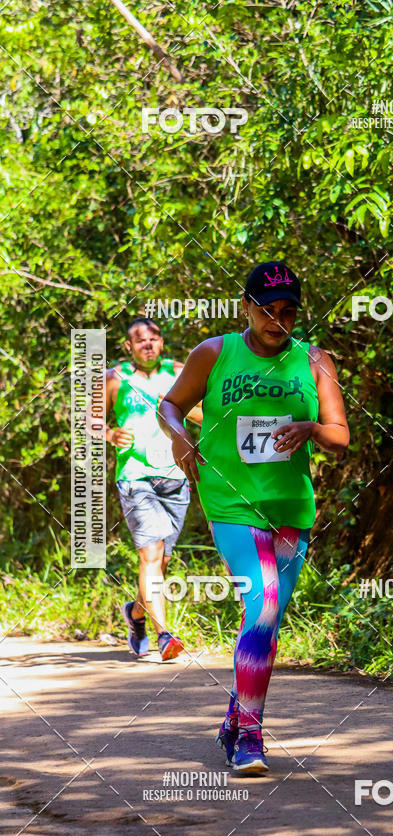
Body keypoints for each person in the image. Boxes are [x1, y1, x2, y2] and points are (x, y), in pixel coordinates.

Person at [158, 261, 349, 774]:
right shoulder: (216, 353)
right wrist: (180, 436)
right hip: (231, 501)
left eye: (287, 312)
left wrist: (310, 427)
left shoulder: (314, 360)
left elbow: (341, 435)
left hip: (291, 508)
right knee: (262, 606)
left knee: (265, 620)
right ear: (245, 306)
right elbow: (170, 405)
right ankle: (250, 736)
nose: (277, 321)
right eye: (266, 310)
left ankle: (232, 720)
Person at [101, 317, 203, 661]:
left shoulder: (178, 371)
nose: (148, 344)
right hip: (135, 476)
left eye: (154, 339)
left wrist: (177, 406)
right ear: (129, 347)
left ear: (161, 343)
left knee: (162, 563)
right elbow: (88, 418)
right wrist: (110, 434)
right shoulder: (115, 378)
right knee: (151, 555)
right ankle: (165, 636)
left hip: (175, 473)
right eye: (140, 340)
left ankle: (137, 614)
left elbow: (206, 413)